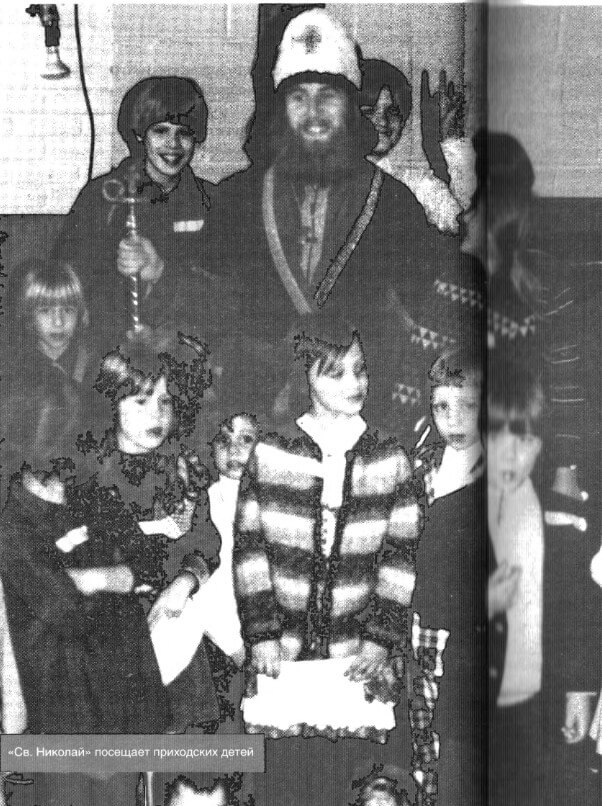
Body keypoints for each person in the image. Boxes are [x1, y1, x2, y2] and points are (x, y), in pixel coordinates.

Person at [209, 8, 459, 425]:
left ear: (350, 107)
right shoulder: (236, 198)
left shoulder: (394, 202)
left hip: (364, 413)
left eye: (327, 97)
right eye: (298, 98)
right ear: (280, 109)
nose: (313, 113)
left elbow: (426, 312)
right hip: (254, 415)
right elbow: (209, 310)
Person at [232, 317, 422, 806]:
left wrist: (379, 639)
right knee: (287, 783)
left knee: (351, 782)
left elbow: (399, 561)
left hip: (356, 655)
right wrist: (262, 634)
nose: (353, 384)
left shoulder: (390, 457)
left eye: (361, 370)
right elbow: (250, 551)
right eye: (335, 373)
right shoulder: (271, 452)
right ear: (305, 377)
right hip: (284, 653)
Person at [76, 334, 221, 733]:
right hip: (110, 630)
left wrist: (184, 582)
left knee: (177, 739)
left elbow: (203, 540)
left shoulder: (182, 470)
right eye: (141, 402)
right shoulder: (89, 476)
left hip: (173, 620)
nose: (156, 414)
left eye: (165, 401)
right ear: (111, 404)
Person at [487, 360, 599, 805]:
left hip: (544, 694)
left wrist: (578, 691)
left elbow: (580, 613)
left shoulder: (563, 516)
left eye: (527, 439)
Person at [54, 76, 227, 352]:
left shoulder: (213, 203)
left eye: (184, 133)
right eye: (160, 131)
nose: (173, 144)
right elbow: (68, 281)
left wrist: (160, 272)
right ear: (140, 134)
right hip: (109, 346)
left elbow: (225, 296)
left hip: (187, 347)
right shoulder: (103, 197)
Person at [0, 460, 168, 733]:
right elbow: (65, 611)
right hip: (68, 691)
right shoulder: (11, 523)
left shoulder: (94, 497)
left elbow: (151, 565)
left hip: (130, 672)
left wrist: (90, 579)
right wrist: (121, 579)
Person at [465, 130, 586, 501]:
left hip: (524, 461)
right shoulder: (438, 274)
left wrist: (566, 472)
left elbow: (566, 382)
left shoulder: (545, 279)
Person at [410, 346, 487, 805]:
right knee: (421, 727)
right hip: (421, 623)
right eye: (441, 407)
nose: (453, 419)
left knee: (459, 739)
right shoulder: (421, 466)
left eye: (468, 406)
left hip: (469, 631)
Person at [0, 258, 94, 504]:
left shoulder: (94, 367)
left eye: (68, 310)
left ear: (81, 314)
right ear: (28, 317)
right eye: (45, 311)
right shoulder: (14, 374)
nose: (58, 322)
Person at [361, 61, 472, 234]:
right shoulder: (330, 175)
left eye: (392, 112)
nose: (382, 121)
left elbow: (469, 227)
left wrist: (451, 143)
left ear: (403, 121)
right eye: (369, 111)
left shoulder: (415, 183)